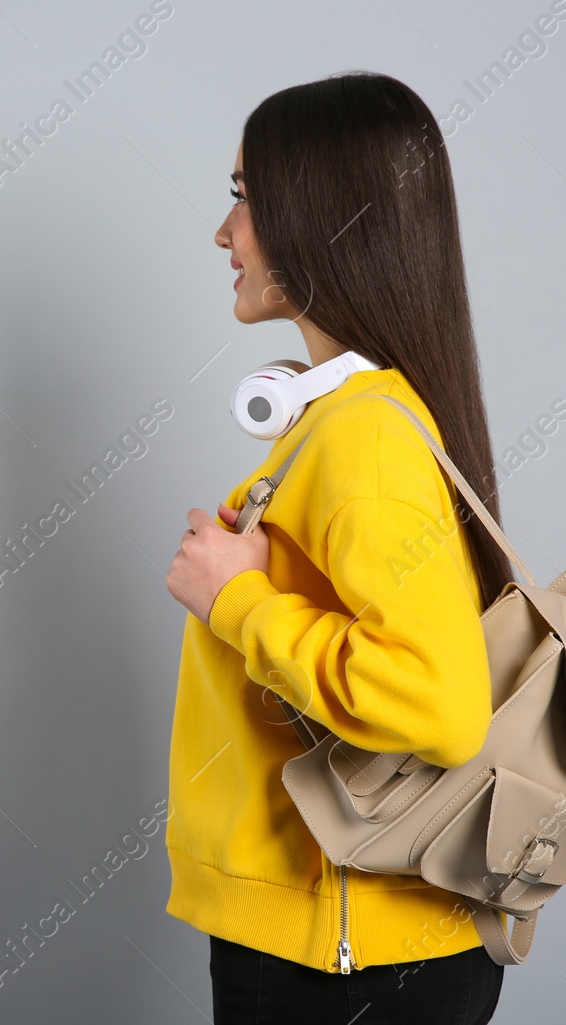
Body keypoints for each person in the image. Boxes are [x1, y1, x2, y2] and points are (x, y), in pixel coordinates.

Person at [164, 71, 511, 1023]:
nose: (225, 233)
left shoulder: (362, 433)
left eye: (245, 199)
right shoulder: (356, 416)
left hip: (345, 956)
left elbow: (438, 706)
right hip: (339, 936)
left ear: (323, 219)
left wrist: (237, 599)